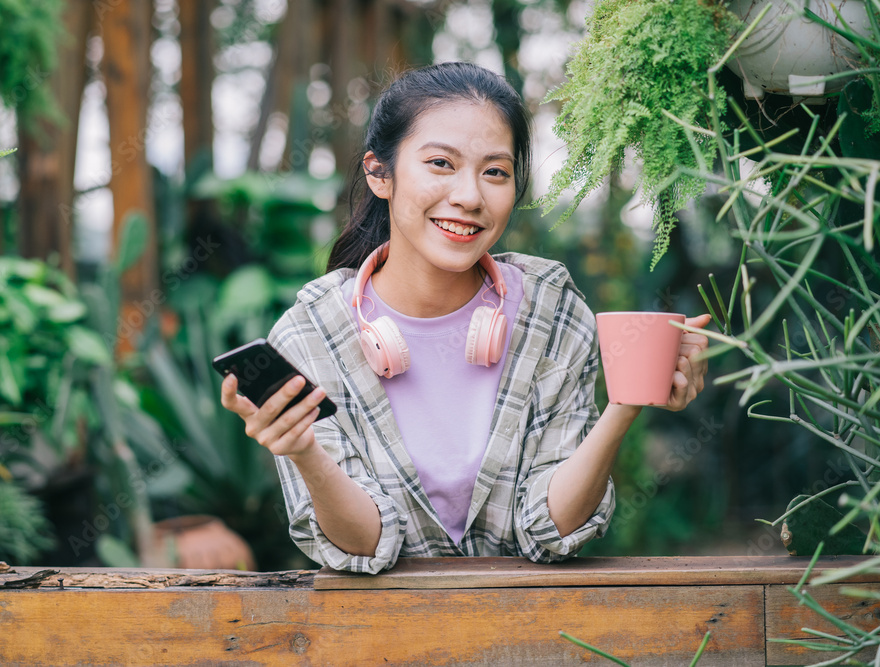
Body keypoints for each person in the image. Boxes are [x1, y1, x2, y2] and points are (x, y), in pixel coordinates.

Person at [220, 61, 711, 574]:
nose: (470, 197)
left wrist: (626, 403)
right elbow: (364, 548)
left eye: (495, 171)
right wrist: (305, 454)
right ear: (379, 173)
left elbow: (552, 532)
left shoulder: (552, 310)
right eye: (440, 163)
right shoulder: (310, 335)